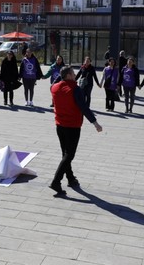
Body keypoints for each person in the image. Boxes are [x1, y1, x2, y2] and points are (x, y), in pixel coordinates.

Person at [49, 66, 103, 196]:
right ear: (68, 75)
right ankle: (56, 181)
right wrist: (95, 123)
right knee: (69, 155)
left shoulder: (54, 88)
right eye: (73, 73)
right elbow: (83, 107)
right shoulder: (75, 89)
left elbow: (55, 82)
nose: (75, 75)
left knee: (65, 154)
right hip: (72, 126)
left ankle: (71, 178)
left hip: (59, 125)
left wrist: (61, 75)